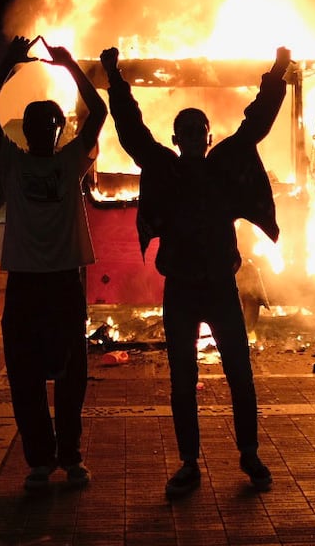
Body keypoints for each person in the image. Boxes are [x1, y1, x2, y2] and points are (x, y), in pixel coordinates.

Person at [100, 45, 291, 499]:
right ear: (177, 137)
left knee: (239, 374)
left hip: (219, 288)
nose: (189, 136)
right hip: (183, 290)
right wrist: (114, 77)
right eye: (184, 130)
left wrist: (278, 71)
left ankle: (248, 453)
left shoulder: (222, 165)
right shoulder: (163, 169)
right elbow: (130, 129)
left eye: (196, 130)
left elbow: (256, 124)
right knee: (183, 379)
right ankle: (190, 463)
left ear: (205, 138)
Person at [0, 34, 107, 492]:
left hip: (63, 280)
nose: (43, 130)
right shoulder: (12, 163)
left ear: (57, 129)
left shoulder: (71, 161)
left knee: (72, 373)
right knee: (25, 372)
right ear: (27, 130)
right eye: (37, 123)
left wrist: (70, 66)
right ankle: (40, 460)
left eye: (50, 123)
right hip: (31, 281)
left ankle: (68, 456)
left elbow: (99, 114)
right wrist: (11, 65)